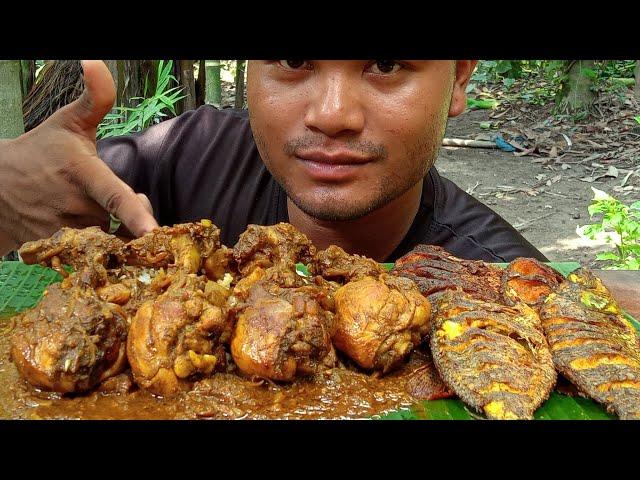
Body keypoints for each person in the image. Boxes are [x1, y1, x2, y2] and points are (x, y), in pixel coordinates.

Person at [0, 60, 546, 263]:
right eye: (292, 59)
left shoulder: (497, 284)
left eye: (384, 63)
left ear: (460, 78)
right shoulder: (187, 156)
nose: (333, 115)